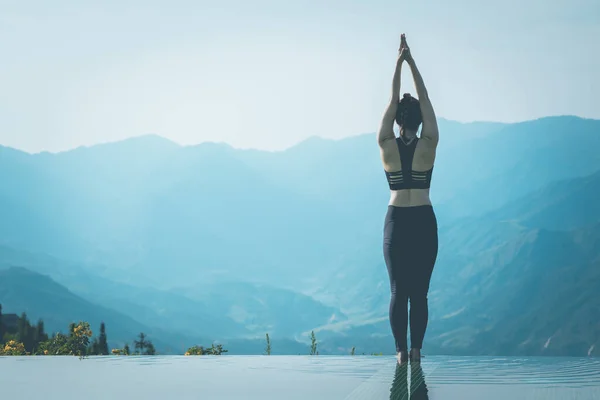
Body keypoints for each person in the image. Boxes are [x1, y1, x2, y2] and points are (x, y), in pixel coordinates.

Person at [377, 34, 439, 365]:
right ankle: (416, 352)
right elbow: (426, 97)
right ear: (419, 119)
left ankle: (401, 352)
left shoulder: (386, 142)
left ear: (398, 120)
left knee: (398, 292)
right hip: (424, 221)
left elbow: (390, 101)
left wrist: (398, 62)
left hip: (397, 220)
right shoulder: (430, 141)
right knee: (420, 294)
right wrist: (412, 61)